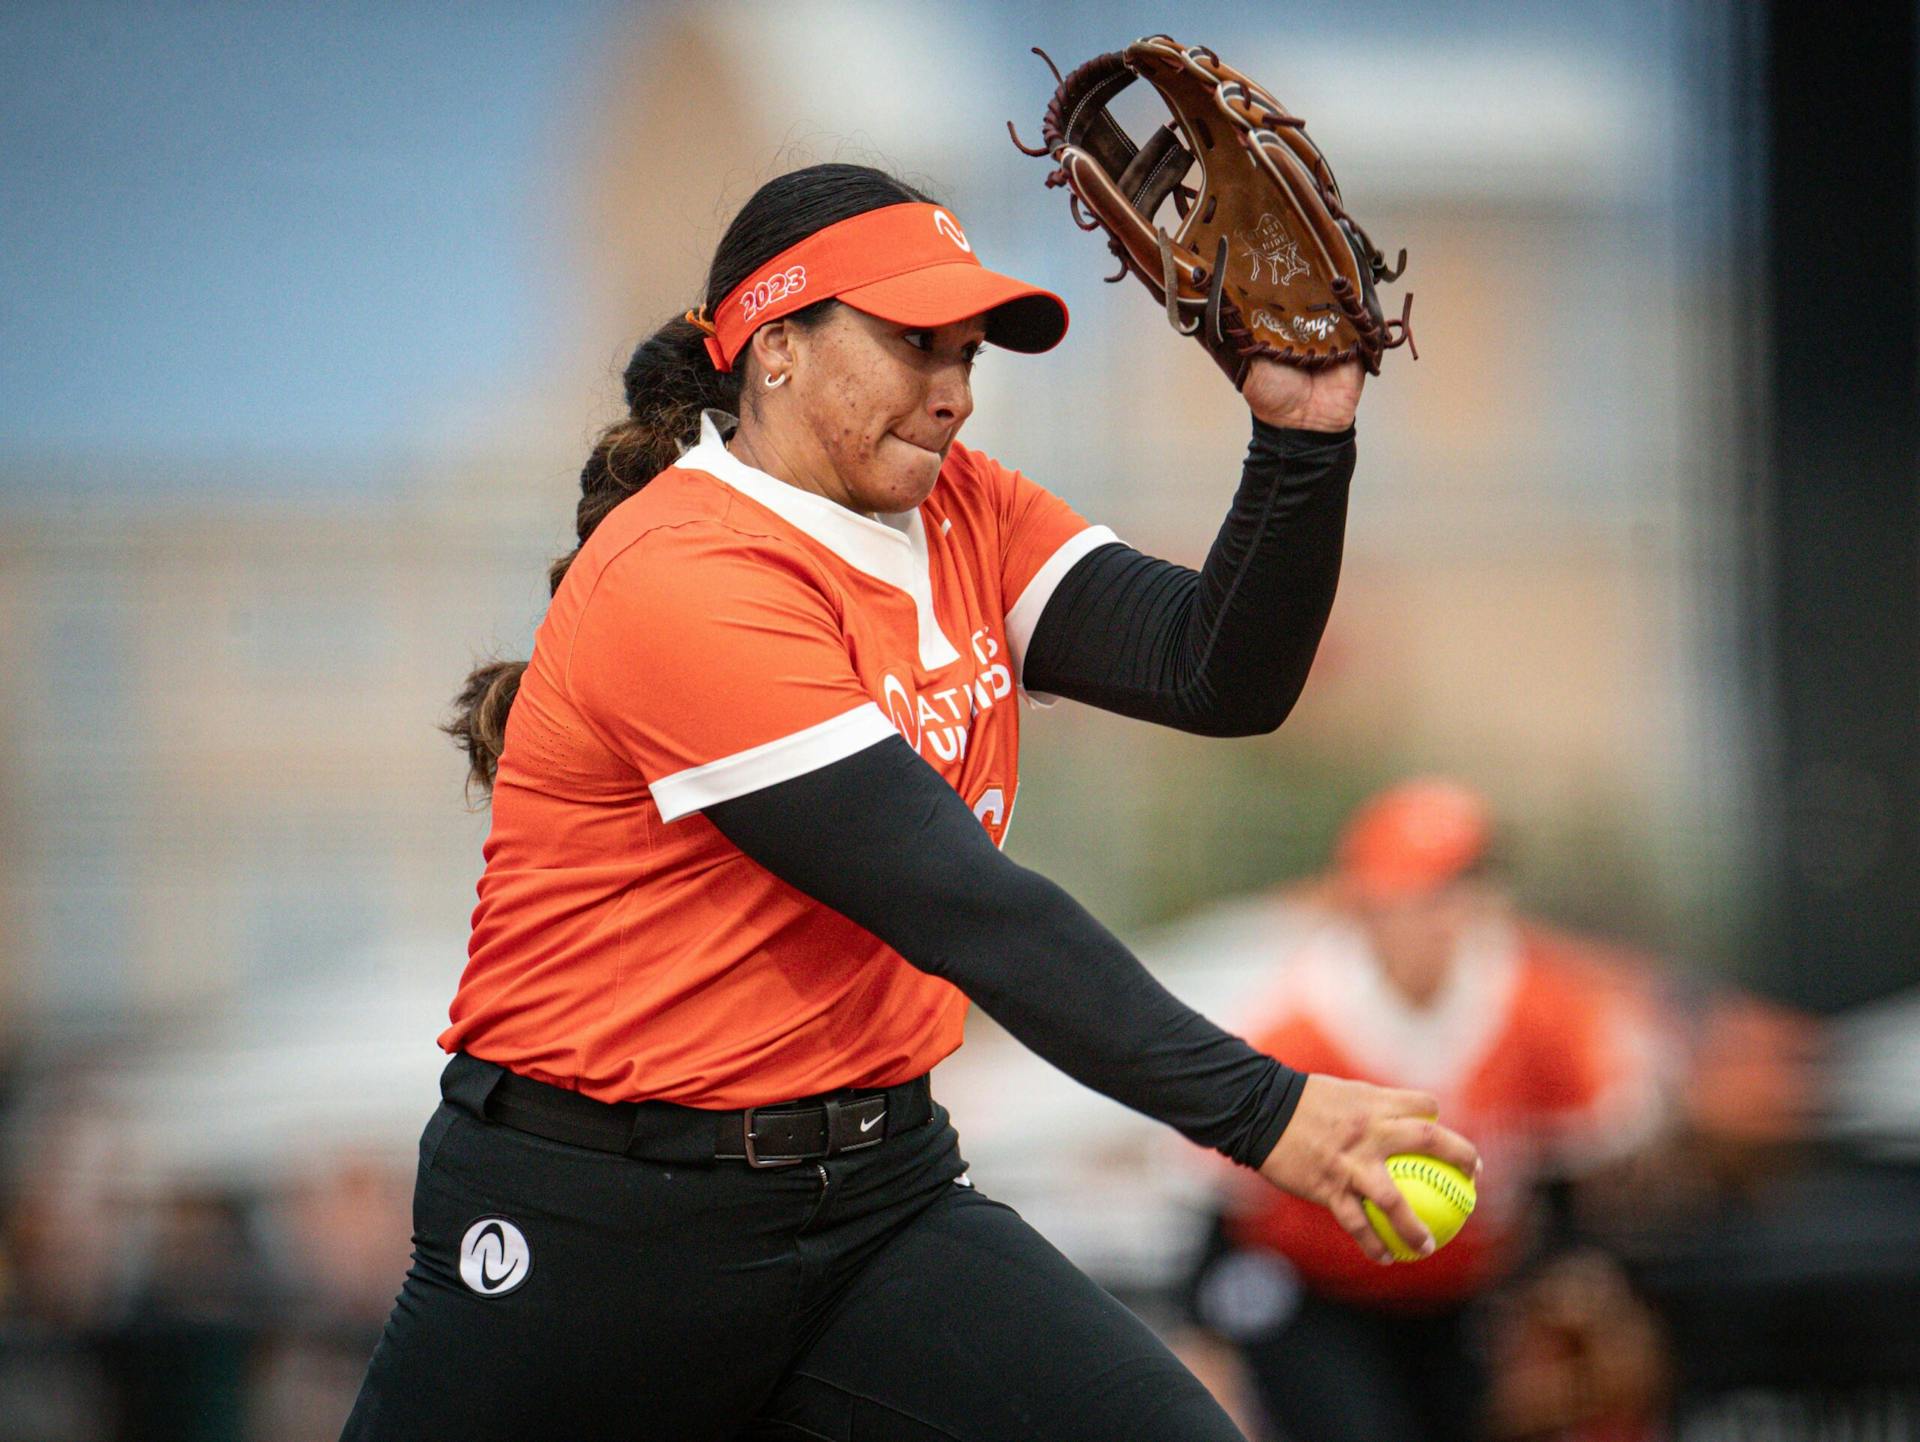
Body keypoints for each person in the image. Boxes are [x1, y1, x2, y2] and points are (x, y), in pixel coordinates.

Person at [340, 163, 1478, 1442]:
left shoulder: (965, 507)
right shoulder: (682, 570)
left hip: (879, 1203)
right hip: (602, 1224)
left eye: (968, 350)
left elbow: (1217, 671)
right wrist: (1265, 1110)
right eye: (913, 341)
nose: (955, 387)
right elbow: (962, 906)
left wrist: (1302, 438)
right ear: (775, 344)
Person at [1181, 779, 1668, 1442]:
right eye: (1428, 893)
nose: (1450, 915)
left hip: (1462, 1294)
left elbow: (1574, 1170)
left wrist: (1575, 1276)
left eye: (1467, 886)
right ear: (1368, 909)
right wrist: (1203, 1335)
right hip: (1314, 1290)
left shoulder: (1535, 1004)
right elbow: (1218, 1204)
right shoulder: (1298, 1022)